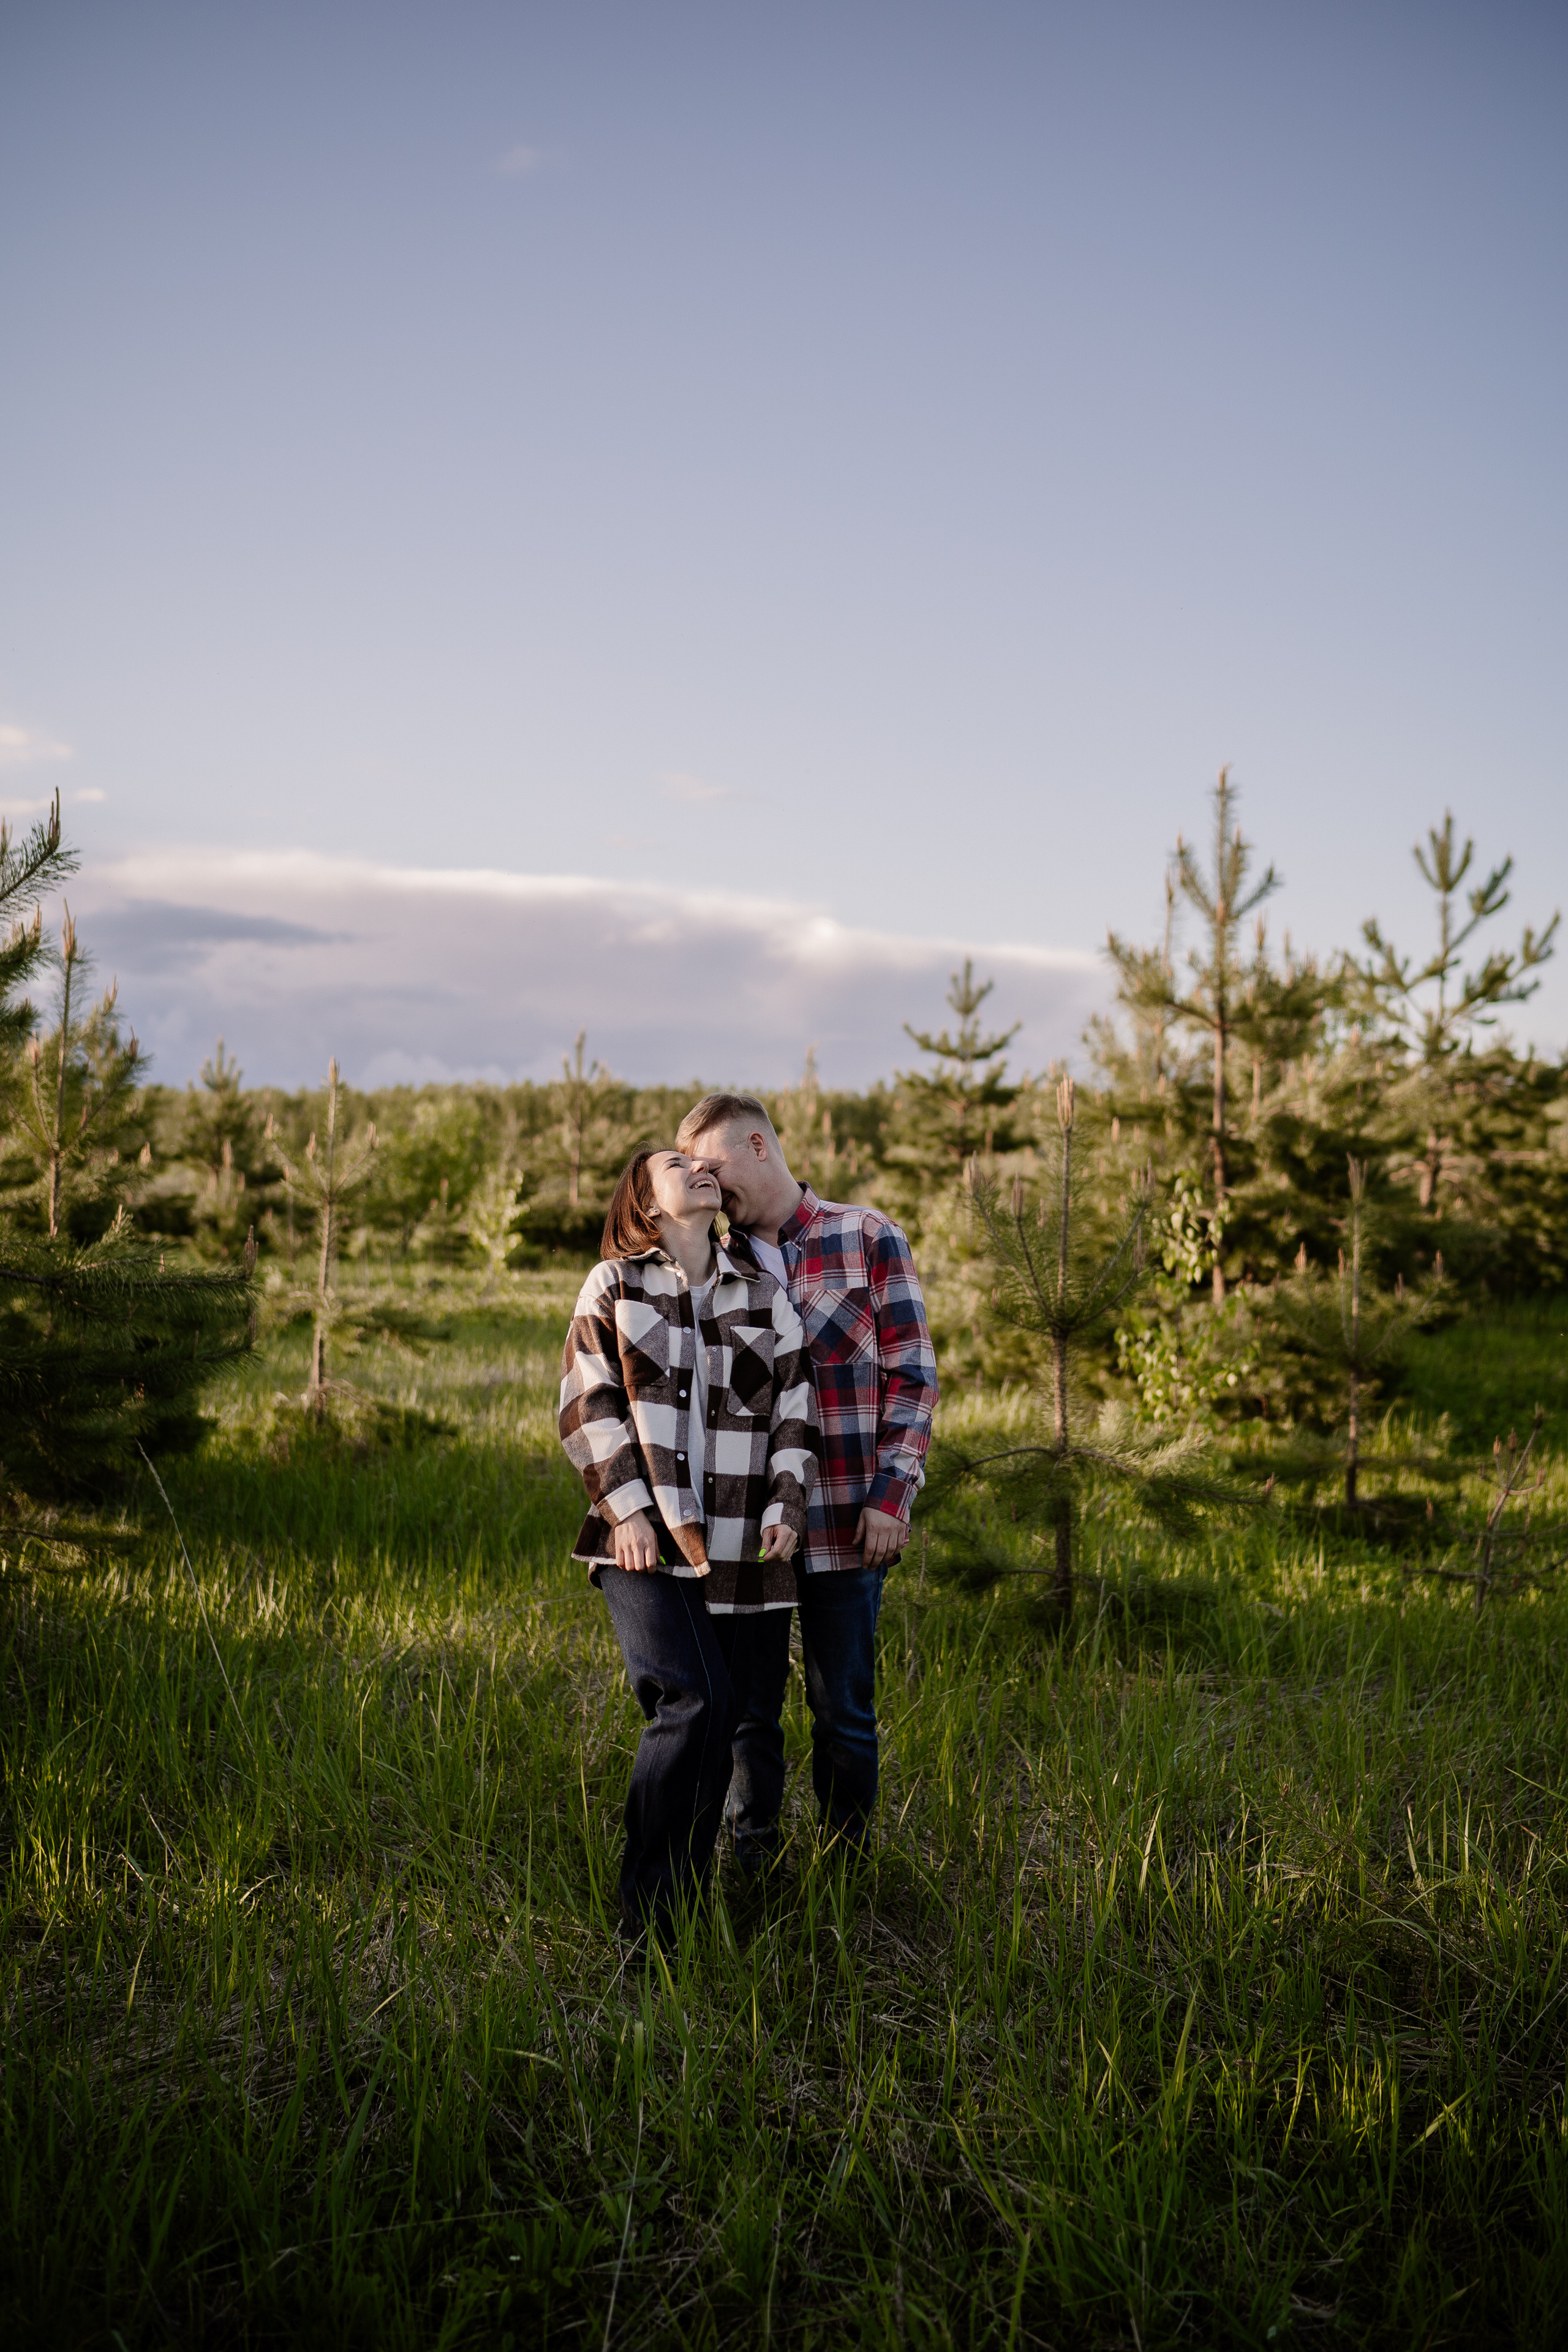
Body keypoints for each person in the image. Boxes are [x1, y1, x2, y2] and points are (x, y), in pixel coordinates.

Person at [558, 1144, 820, 1942]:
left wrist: (787, 1501)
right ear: (643, 1196)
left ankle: (694, 1895)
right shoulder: (616, 1286)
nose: (699, 1168)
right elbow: (585, 1400)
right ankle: (647, 1924)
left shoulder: (765, 1296)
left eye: (706, 1164)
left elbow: (794, 1410)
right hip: (641, 1541)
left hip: (745, 1548)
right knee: (690, 1703)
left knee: (732, 1717)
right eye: (676, 1164)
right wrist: (628, 1510)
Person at [676, 1091, 939, 1864]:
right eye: (695, 1172)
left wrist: (892, 1497)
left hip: (848, 1520)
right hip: (747, 1531)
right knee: (750, 1713)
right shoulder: (714, 1261)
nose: (708, 1184)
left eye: (716, 1165)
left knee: (842, 1711)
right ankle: (752, 1856)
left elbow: (913, 1378)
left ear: (760, 1147)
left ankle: (846, 1862)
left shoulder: (867, 1237)